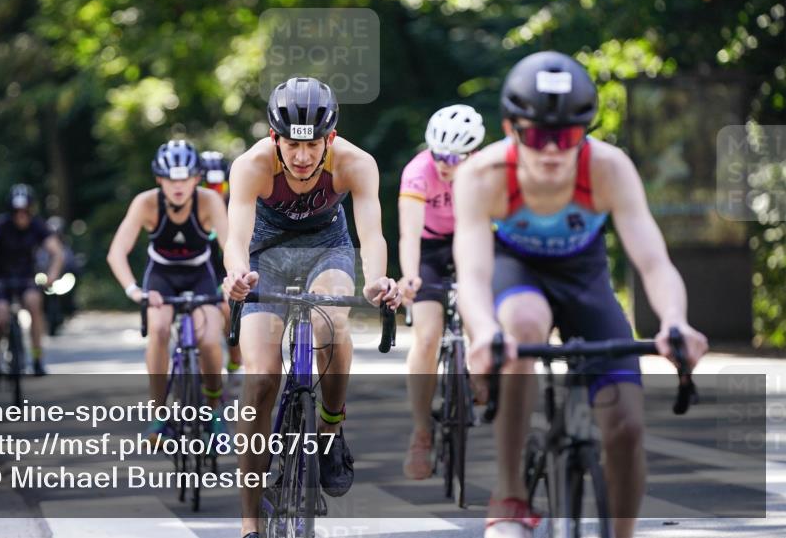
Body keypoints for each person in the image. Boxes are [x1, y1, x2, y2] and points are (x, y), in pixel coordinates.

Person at [452, 52, 708, 538]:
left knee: (627, 428)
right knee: (523, 325)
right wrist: (485, 332)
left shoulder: (609, 167)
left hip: (583, 277)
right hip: (516, 271)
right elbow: (474, 271)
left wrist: (675, 320)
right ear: (512, 129)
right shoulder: (482, 174)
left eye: (567, 137)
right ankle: (509, 494)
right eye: (538, 136)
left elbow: (653, 261)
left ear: (585, 133)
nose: (552, 151)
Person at [222, 76, 402, 538]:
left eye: (314, 144)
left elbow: (372, 235)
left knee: (332, 319)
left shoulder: (356, 164)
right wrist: (238, 275)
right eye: (292, 145)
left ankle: (329, 428)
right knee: (260, 379)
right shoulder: (251, 166)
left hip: (328, 248)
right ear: (274, 138)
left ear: (331, 138)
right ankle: (249, 523)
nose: (302, 158)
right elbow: (236, 235)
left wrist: (379, 280)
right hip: (267, 256)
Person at [106, 140, 229, 438]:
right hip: (161, 276)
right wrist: (135, 291)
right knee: (159, 329)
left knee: (210, 340)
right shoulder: (146, 203)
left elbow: (229, 247)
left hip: (199, 274)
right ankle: (159, 415)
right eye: (171, 179)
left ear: (197, 178)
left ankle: (214, 411)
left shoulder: (209, 202)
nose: (178, 186)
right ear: (159, 179)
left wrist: (231, 280)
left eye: (185, 178)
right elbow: (116, 252)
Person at [398, 104, 485, 479]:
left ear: (471, 154)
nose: (445, 163)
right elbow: (409, 233)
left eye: (453, 157)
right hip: (429, 247)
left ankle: (480, 375)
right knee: (428, 334)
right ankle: (421, 431)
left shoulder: (484, 171)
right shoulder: (419, 172)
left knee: (480, 314)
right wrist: (409, 276)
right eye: (438, 154)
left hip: (471, 238)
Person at [0, 184, 64, 382]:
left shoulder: (38, 225)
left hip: (26, 278)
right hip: (1, 280)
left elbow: (56, 251)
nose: (21, 216)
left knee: (34, 304)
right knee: (2, 316)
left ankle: (37, 358)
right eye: (17, 212)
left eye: (25, 211)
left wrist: (52, 275)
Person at [199, 150, 243, 375]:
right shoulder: (187, 206)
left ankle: (235, 359)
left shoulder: (233, 209)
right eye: (208, 187)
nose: (214, 193)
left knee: (227, 308)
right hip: (193, 272)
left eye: (220, 187)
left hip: (221, 272)